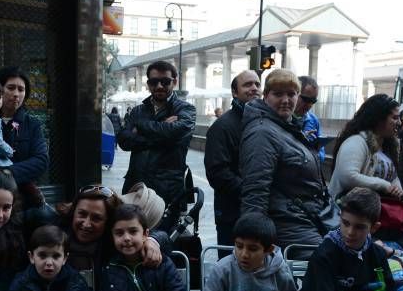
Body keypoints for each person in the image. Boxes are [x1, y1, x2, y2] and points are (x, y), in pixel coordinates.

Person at [239, 69, 330, 254]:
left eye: (291, 94)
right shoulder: (262, 133)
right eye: (278, 94)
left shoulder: (286, 127)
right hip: (289, 226)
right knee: (327, 264)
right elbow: (256, 191)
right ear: (265, 96)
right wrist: (255, 241)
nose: (286, 100)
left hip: (308, 219)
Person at [117, 60, 196, 230]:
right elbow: (124, 140)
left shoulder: (186, 110)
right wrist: (162, 134)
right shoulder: (139, 110)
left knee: (162, 240)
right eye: (154, 82)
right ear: (148, 84)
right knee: (132, 235)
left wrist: (141, 126)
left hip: (168, 190)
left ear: (174, 81)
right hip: (135, 186)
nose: (159, 86)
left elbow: (174, 133)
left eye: (165, 81)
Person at [55, 185, 165, 284]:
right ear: (73, 212)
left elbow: (163, 236)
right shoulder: (55, 236)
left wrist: (152, 240)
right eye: (82, 214)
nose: (86, 224)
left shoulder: (115, 242)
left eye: (96, 218)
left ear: (108, 222)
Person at [204, 70, 261, 248]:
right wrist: (252, 192)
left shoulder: (264, 121)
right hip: (233, 214)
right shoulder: (222, 127)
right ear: (235, 92)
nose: (254, 88)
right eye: (247, 84)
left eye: (257, 84)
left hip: (260, 211)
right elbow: (218, 173)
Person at [328, 94, 402, 200]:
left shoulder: (388, 146)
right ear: (378, 119)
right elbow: (348, 177)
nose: (399, 122)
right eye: (394, 118)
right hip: (349, 212)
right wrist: (384, 185)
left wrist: (397, 188)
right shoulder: (356, 142)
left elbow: (392, 176)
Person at [294, 76, 325, 161]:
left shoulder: (313, 120)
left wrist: (315, 152)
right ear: (295, 94)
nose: (309, 105)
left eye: (313, 101)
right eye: (306, 100)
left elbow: (321, 155)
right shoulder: (282, 118)